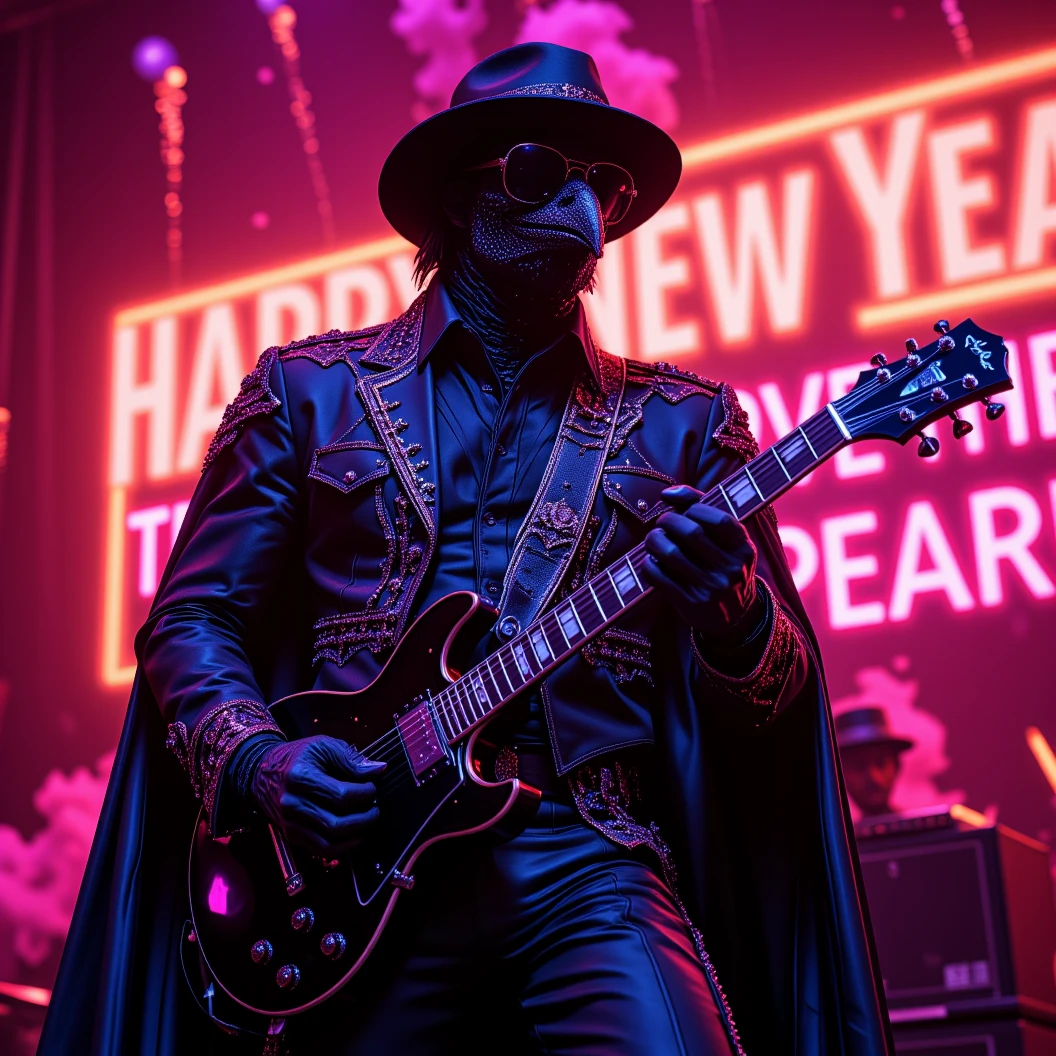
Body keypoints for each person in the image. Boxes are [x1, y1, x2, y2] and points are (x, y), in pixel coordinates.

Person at [41, 43, 890, 1056]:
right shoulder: (310, 393)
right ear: (458, 196)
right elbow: (194, 619)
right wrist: (259, 758)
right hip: (352, 871)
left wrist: (736, 610)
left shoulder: (686, 423)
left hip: (588, 852)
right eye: (542, 170)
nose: (581, 205)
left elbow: (775, 701)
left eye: (604, 185)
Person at [836, 706, 915, 818]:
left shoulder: (928, 833)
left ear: (897, 766)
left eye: (881, 764)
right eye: (858, 767)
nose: (874, 778)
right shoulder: (836, 835)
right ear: (839, 776)